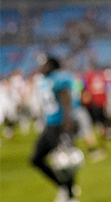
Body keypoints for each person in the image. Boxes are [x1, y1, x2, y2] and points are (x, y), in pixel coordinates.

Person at [30, 56, 81, 202]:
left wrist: (67, 126)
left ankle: (70, 197)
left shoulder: (59, 78)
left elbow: (66, 102)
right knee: (36, 159)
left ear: (51, 65)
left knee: (65, 162)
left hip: (60, 125)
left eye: (44, 65)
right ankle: (64, 188)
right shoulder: (44, 80)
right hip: (50, 126)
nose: (41, 67)